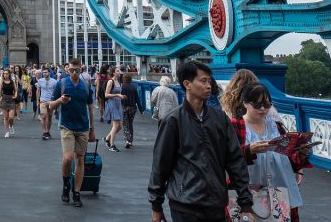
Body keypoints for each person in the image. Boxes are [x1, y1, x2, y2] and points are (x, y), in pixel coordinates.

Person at [148, 60, 254, 222]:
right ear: (187, 84)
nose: (209, 85)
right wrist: (156, 205)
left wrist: (245, 203)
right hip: (185, 203)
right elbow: (161, 165)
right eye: (203, 80)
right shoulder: (173, 120)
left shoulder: (220, 119)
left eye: (209, 80)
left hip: (216, 203)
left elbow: (235, 160)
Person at [231, 82, 308, 222]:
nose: (262, 109)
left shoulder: (276, 126)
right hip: (247, 190)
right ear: (245, 103)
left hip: (280, 187)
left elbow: (288, 156)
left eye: (267, 105)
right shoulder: (235, 126)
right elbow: (227, 157)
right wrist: (249, 150)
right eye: (257, 105)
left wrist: (301, 153)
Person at [49, 58, 96, 208]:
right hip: (66, 125)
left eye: (77, 70)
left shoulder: (87, 86)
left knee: (80, 160)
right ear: (67, 70)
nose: (74, 73)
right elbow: (50, 105)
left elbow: (90, 108)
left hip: (83, 127)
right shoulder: (61, 84)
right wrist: (60, 101)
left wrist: (92, 130)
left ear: (81, 70)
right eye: (72, 70)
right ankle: (65, 185)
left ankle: (76, 192)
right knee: (68, 158)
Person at [119, 71, 144, 148]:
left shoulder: (121, 87)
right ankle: (131, 141)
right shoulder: (133, 87)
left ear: (123, 79)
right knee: (130, 123)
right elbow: (137, 99)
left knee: (125, 124)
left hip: (124, 107)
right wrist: (141, 109)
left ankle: (127, 140)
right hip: (133, 108)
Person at [102, 71, 124, 152]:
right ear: (114, 73)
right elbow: (106, 95)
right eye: (118, 71)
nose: (119, 72)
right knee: (115, 125)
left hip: (118, 103)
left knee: (120, 126)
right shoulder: (110, 81)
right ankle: (112, 144)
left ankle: (107, 138)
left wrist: (121, 96)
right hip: (112, 103)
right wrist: (117, 95)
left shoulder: (118, 81)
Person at [0, 68, 18, 137]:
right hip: (4, 99)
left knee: (11, 117)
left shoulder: (12, 82)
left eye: (7, 73)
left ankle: (11, 126)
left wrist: (15, 96)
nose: (5, 75)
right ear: (3, 74)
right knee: (5, 117)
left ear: (9, 74)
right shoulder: (1, 82)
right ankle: (7, 132)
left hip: (11, 99)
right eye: (4, 73)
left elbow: (16, 90)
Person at [38, 69, 59, 139]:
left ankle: (48, 131)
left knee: (49, 117)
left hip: (51, 102)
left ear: (49, 73)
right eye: (43, 72)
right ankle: (44, 132)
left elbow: (56, 92)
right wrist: (38, 100)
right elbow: (38, 90)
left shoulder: (54, 81)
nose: (44, 74)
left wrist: (55, 101)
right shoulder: (40, 81)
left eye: (46, 72)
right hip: (42, 101)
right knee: (43, 116)